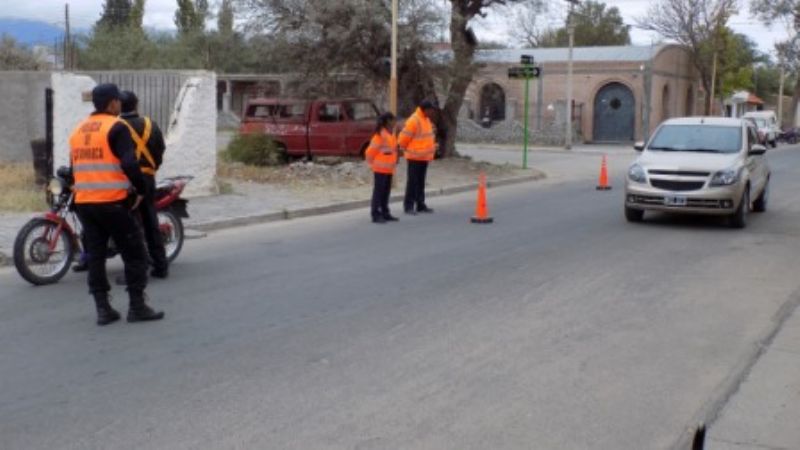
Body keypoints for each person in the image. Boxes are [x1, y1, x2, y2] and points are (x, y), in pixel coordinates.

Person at [69, 83, 164, 326]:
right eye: (117, 101)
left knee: (96, 257)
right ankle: (137, 306)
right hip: (113, 202)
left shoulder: (78, 130)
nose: (119, 104)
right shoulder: (116, 126)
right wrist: (141, 190)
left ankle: (103, 309)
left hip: (85, 204)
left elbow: (73, 169)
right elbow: (130, 164)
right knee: (136, 255)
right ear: (112, 103)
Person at [119, 90, 169, 279]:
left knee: (129, 227)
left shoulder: (116, 126)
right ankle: (161, 266)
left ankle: (134, 271)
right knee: (150, 223)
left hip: (125, 181)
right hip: (148, 179)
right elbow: (160, 149)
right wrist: (151, 168)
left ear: (118, 105)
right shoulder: (151, 124)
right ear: (136, 104)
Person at [399, 100, 437, 215]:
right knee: (412, 182)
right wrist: (404, 149)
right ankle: (408, 206)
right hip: (414, 157)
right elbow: (403, 139)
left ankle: (420, 204)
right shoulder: (414, 120)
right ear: (425, 109)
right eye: (431, 110)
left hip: (424, 157)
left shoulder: (426, 120)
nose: (432, 112)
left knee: (420, 182)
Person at [364, 112, 399, 224]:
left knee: (386, 192)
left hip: (388, 169)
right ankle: (376, 214)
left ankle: (385, 212)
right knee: (378, 192)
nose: (395, 122)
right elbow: (370, 152)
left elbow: (392, 150)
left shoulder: (391, 134)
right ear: (388, 121)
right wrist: (371, 164)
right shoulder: (380, 135)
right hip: (380, 169)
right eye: (393, 120)